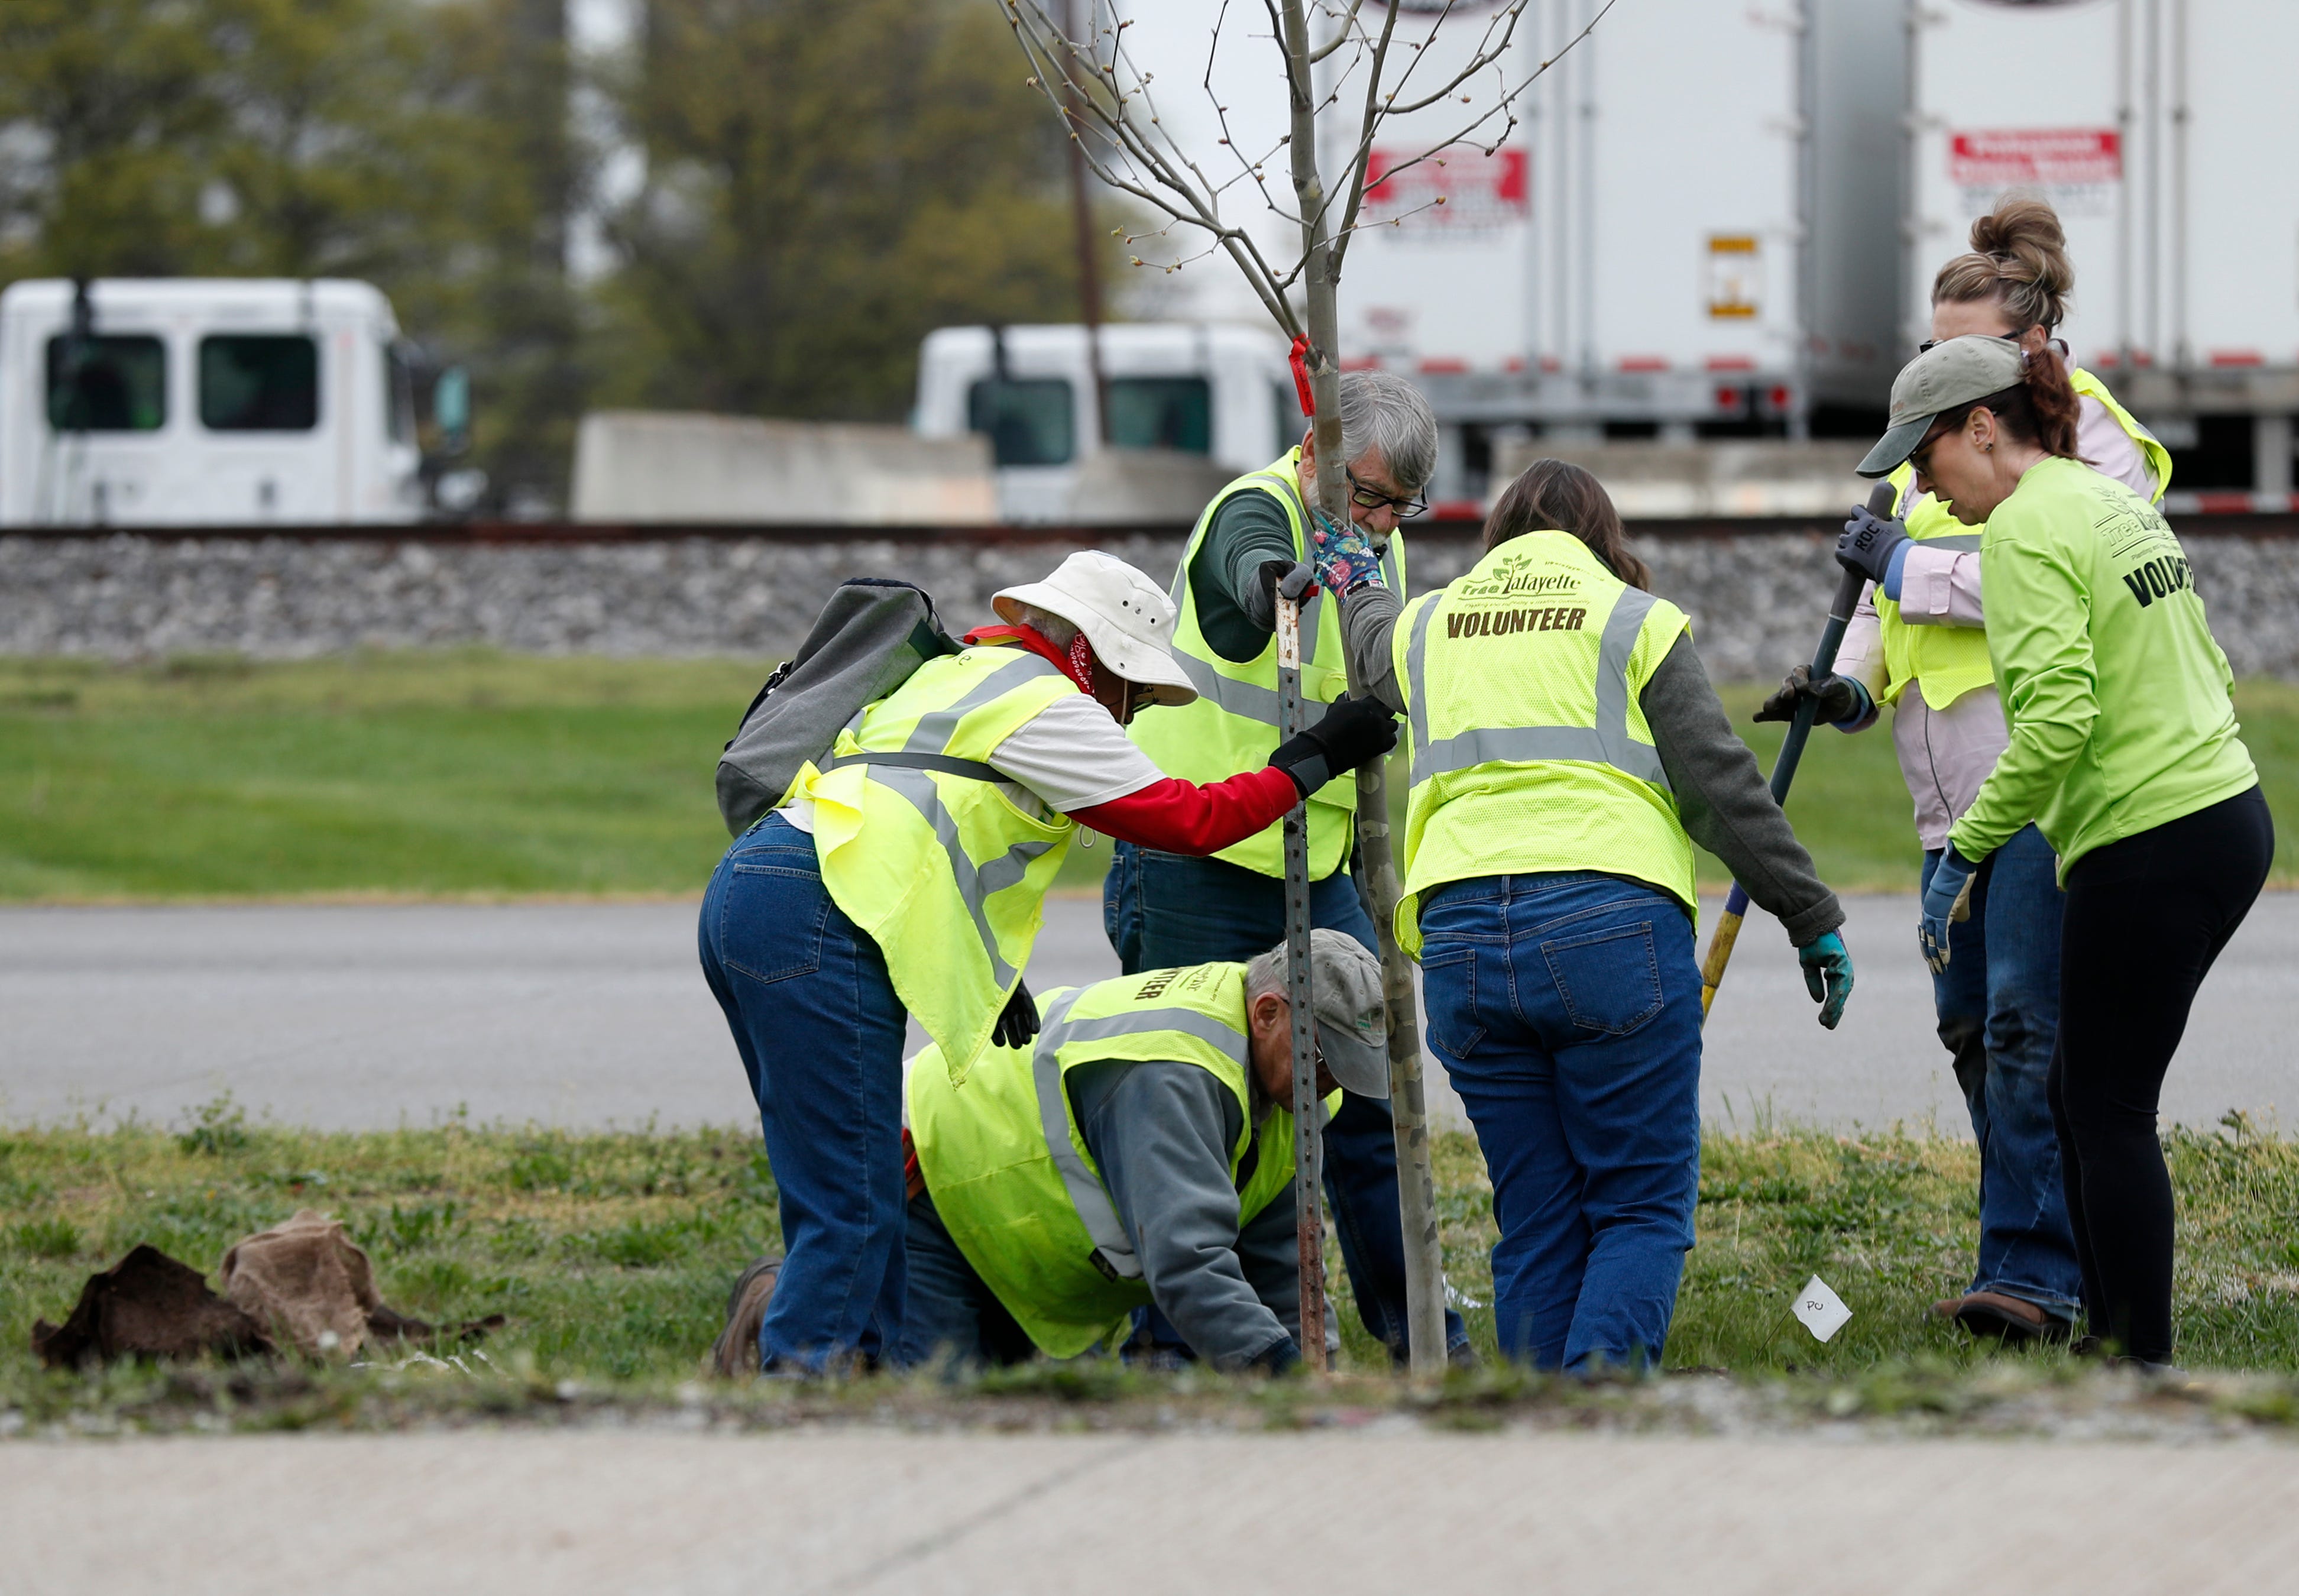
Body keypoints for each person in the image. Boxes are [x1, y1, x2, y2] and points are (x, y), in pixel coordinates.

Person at [698, 550, 1399, 1375]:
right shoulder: (1044, 702)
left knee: (839, 1190)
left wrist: (979, 972)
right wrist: (1314, 755)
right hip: (820, 912)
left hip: (759, 893)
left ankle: (842, 1375)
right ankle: (804, 1396)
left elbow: (912, 825)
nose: (1129, 714)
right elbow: (1190, 819)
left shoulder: (957, 674)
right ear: (1087, 654)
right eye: (1130, 689)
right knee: (854, 1201)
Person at [1760, 197, 2172, 1345]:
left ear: (2028, 351)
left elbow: (2040, 579)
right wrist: (1846, 682)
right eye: (1929, 347)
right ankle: (2033, 1245)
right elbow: (1883, 600)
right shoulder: (1936, 433)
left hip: (2038, 782)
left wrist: (1910, 562)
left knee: (2033, 1026)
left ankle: (2040, 1271)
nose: (1938, 368)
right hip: (1947, 794)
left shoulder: (2087, 442)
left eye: (1961, 350)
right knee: (1975, 1030)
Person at [1335, 459, 1853, 1372]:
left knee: (1535, 1206)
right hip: (1607, 921)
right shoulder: (1629, 618)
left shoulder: (1434, 621)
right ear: (1604, 537)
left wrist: (1357, 563)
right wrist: (1807, 912)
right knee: (1640, 1203)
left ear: (1499, 535)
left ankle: (1542, 1424)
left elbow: (1369, 641)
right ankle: (1599, 1407)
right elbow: (1718, 786)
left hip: (1459, 936)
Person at [1854, 335, 2268, 1372]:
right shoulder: (2104, 501)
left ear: (1982, 427)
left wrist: (1963, 856)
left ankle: (2138, 1363)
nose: (1916, 482)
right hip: (2218, 811)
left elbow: (2052, 725)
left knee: (2103, 1106)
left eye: (1924, 453)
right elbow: (2203, 653)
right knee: (2082, 1094)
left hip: (2149, 834)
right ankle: (2110, 1341)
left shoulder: (2026, 529)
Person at [1115, 368, 1470, 1365]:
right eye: (1365, 495)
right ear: (1312, 453)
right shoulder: (1256, 506)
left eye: (1401, 504)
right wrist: (1283, 578)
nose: (1382, 519)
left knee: (1367, 1094)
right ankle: (1179, 1346)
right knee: (1190, 1097)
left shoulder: (1374, 539)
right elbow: (1247, 572)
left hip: (1312, 872)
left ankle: (1421, 1340)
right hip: (1196, 858)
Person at [897, 931, 1388, 1373]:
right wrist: (1288, 1375)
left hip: (1013, 1232)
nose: (1328, 1084)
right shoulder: (1176, 1069)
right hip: (938, 1181)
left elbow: (1283, 1259)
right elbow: (1187, 1263)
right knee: (941, 1423)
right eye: (1325, 1060)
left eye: (1348, 1070)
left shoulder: (1289, 1085)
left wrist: (1317, 1374)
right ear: (1266, 1013)